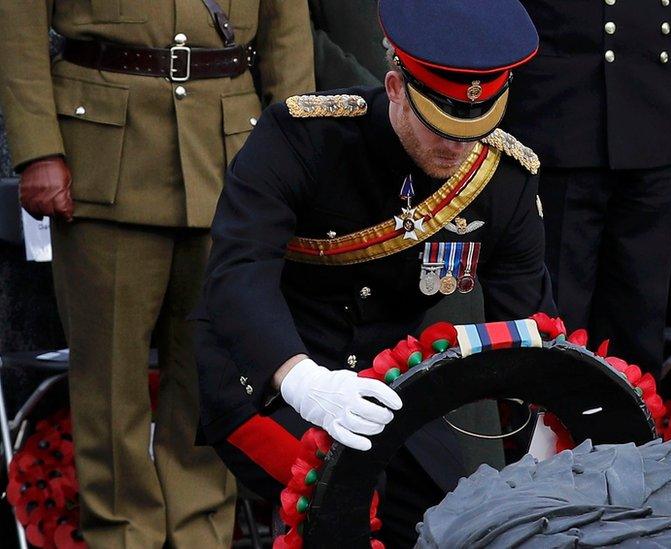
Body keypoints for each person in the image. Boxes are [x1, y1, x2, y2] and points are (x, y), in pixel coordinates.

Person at [192, 1, 554, 546]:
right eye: (439, 123)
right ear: (394, 88)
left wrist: (532, 439)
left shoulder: (504, 178)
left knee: (464, 514)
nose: (456, 145)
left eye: (474, 126)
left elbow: (522, 318)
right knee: (343, 502)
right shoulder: (301, 138)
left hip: (392, 383)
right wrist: (302, 380)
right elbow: (239, 271)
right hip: (269, 373)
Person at [0, 1, 313, 546]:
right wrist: (37, 149)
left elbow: (286, 31)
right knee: (109, 383)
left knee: (214, 378)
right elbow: (19, 23)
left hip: (230, 159)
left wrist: (294, 155)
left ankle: (202, 535)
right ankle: (122, 536)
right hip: (102, 156)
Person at [503, 0, 671, 378]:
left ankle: (634, 432)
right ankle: (547, 434)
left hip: (653, 121)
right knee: (557, 316)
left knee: (638, 320)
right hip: (560, 122)